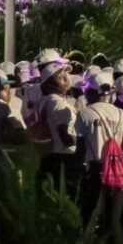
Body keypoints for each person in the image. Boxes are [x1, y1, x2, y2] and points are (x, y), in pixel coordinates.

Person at [76, 71, 123, 244]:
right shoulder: (121, 113)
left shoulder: (85, 113)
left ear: (91, 92)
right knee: (115, 220)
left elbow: (80, 146)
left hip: (95, 171)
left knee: (95, 218)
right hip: (118, 172)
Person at [35, 58, 78, 192]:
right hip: (63, 158)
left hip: (57, 156)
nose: (66, 79)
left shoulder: (50, 100)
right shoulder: (55, 102)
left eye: (65, 75)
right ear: (49, 83)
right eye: (60, 77)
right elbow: (64, 133)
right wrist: (81, 145)